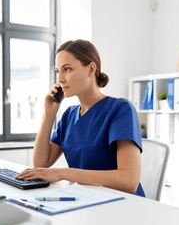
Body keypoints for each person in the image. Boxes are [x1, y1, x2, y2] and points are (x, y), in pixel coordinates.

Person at [17, 39, 145, 197]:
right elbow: (40, 163)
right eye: (58, 71)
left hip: (123, 203)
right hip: (86, 199)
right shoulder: (69, 115)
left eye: (68, 69)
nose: (60, 79)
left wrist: (62, 173)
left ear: (91, 69)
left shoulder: (120, 109)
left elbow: (129, 180)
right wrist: (48, 114)